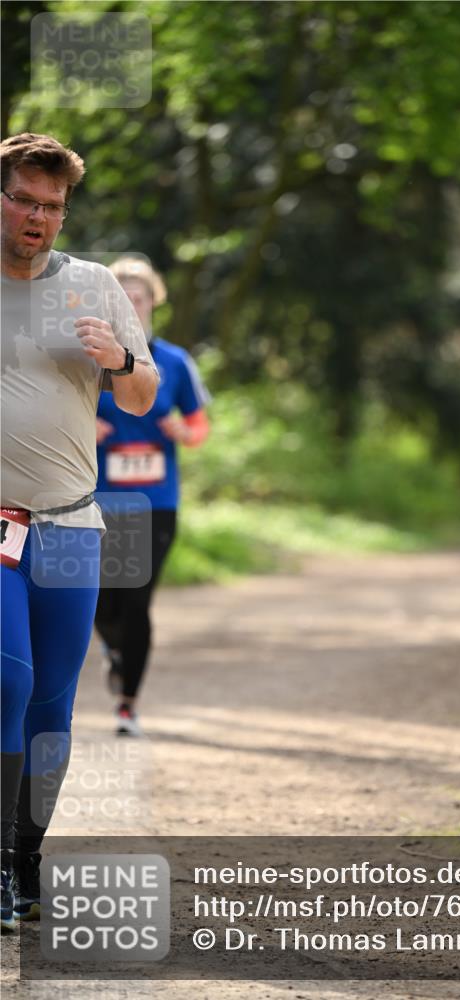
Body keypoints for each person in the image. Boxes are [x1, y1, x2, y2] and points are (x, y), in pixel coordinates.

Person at [0, 133, 159, 931]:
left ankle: (24, 861)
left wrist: (121, 362)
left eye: (51, 206)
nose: (37, 217)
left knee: (54, 709)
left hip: (69, 525)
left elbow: (142, 395)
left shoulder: (92, 285)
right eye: (23, 199)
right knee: (8, 682)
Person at [94, 257, 210, 737]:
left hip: (156, 501)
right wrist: (85, 427)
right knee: (100, 605)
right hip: (96, 498)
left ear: (152, 302)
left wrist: (183, 431)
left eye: (138, 296)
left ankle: (127, 704)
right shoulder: (88, 357)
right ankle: (116, 651)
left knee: (137, 601)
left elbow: (200, 426)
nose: (130, 303)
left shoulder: (176, 361)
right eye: (121, 295)